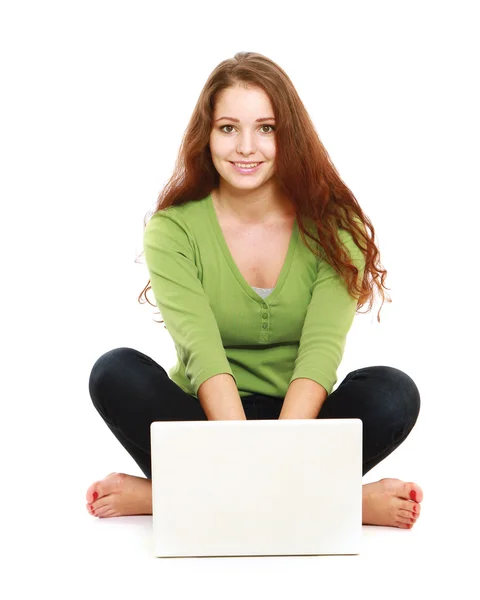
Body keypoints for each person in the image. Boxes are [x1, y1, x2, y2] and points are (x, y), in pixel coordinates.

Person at [86, 52, 422, 529]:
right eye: (228, 128)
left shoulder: (335, 227)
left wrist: (276, 454)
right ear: (207, 135)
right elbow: (201, 353)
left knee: (393, 393)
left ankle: (168, 498)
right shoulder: (172, 230)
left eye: (266, 127)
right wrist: (251, 459)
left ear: (289, 135)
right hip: (205, 423)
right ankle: (340, 501)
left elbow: (320, 353)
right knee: (114, 371)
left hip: (304, 424)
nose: (246, 147)